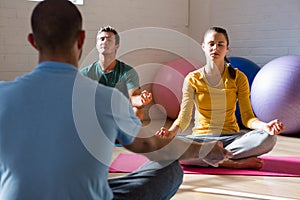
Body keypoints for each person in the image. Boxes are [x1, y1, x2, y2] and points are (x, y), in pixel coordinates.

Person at [0, 1, 232, 199]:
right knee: (169, 169)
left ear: (33, 41)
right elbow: (152, 147)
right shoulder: (106, 99)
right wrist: (203, 150)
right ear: (82, 39)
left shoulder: (3, 95)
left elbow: (134, 96)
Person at [156, 26, 285, 170]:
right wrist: (170, 133)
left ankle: (213, 157)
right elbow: (184, 117)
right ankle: (232, 162)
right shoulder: (192, 79)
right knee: (164, 146)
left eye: (220, 44)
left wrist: (265, 126)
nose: (215, 48)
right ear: (204, 47)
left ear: (227, 48)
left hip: (232, 138)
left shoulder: (238, 77)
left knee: (268, 138)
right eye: (211, 44)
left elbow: (247, 117)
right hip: (201, 140)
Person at [80, 26, 151, 120]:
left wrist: (141, 99)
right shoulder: (85, 73)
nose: (104, 41)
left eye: (109, 40)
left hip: (119, 115)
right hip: (96, 116)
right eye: (102, 39)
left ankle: (121, 134)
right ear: (97, 44)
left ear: (116, 46)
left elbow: (134, 98)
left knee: (137, 112)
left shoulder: (128, 72)